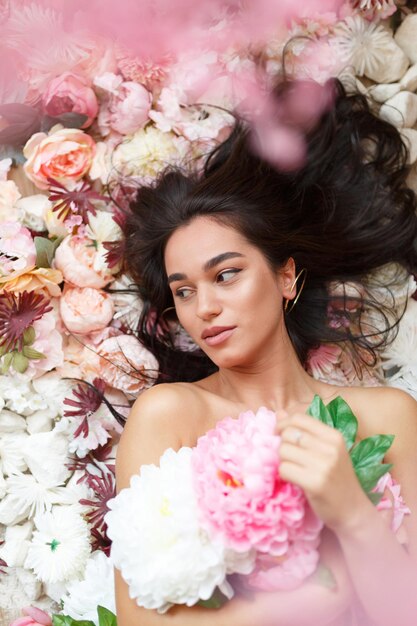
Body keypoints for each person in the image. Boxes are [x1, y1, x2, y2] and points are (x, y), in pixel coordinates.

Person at [114, 78, 417, 625]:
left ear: (286, 278)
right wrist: (308, 606)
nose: (204, 307)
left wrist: (351, 511)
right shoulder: (170, 416)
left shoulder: (388, 416)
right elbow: (139, 620)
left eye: (226, 275)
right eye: (184, 291)